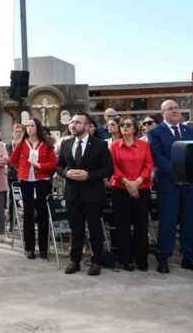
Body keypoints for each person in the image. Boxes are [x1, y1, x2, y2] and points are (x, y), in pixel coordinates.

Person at [55, 112, 114, 276]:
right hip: (72, 194)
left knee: (95, 229)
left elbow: (109, 169)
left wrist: (89, 175)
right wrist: (66, 173)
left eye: (78, 122)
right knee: (76, 229)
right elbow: (58, 166)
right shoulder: (66, 144)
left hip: (93, 194)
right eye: (72, 122)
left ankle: (96, 262)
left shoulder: (100, 145)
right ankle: (75, 261)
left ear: (88, 126)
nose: (73, 125)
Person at [147, 99, 193, 273]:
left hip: (189, 185)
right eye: (170, 109)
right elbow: (158, 157)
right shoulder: (155, 132)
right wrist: (178, 174)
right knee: (168, 222)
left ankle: (189, 257)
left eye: (177, 108)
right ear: (163, 113)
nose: (175, 111)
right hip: (169, 185)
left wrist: (190, 175)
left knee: (189, 222)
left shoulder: (190, 130)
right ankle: (163, 257)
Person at [109, 116, 154, 271]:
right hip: (121, 190)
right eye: (122, 125)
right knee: (123, 226)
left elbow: (149, 165)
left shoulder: (144, 145)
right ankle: (126, 259)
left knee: (141, 225)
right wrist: (128, 183)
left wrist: (137, 183)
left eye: (128, 125)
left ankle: (141, 259)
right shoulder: (114, 146)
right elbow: (112, 166)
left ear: (135, 128)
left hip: (142, 188)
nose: (124, 127)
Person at [10, 118, 57, 259]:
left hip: (42, 181)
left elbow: (53, 163)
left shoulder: (46, 143)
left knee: (43, 214)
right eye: (27, 126)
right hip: (26, 181)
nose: (29, 128)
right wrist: (21, 168)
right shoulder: (21, 143)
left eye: (32, 125)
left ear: (38, 128)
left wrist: (40, 166)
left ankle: (43, 248)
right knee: (28, 214)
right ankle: (29, 248)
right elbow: (12, 160)